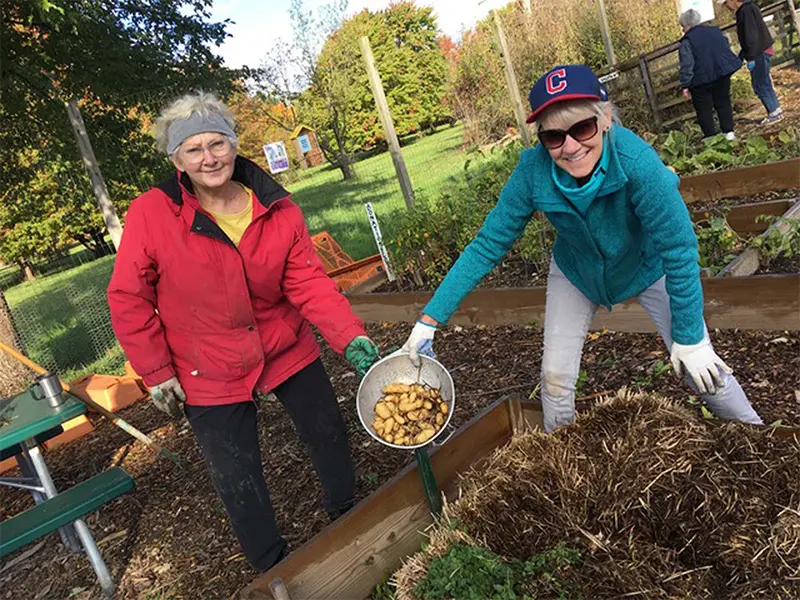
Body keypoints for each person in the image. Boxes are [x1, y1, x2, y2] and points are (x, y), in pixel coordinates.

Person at [401, 65, 763, 433]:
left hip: (647, 265)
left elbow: (679, 247)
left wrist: (690, 337)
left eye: (582, 129)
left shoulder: (637, 162)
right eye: (554, 137)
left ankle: (758, 434)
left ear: (604, 118)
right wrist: (428, 321)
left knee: (701, 368)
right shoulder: (532, 172)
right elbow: (487, 245)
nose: (571, 147)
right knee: (555, 379)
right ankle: (558, 454)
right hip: (577, 272)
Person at [107, 91, 381, 572]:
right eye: (194, 149)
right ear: (177, 159)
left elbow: (308, 283)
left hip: (282, 342)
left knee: (328, 432)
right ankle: (273, 567)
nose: (209, 158)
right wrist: (156, 371)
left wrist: (348, 335)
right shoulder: (152, 213)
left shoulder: (278, 208)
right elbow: (129, 296)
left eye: (218, 143)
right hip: (205, 363)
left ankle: (347, 514)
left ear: (235, 146)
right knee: (236, 473)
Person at [678, 9, 742, 139]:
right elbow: (725, 47)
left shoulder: (687, 41)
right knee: (723, 102)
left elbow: (687, 64)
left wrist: (685, 84)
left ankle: (710, 138)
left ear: (688, 25)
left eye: (683, 27)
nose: (683, 30)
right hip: (721, 73)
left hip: (700, 80)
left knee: (704, 109)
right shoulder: (715, 31)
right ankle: (729, 133)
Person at [720, 0, 783, 124]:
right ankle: (776, 109)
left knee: (759, 84)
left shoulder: (744, 11)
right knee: (764, 81)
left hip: (758, 51)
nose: (727, 6)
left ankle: (773, 112)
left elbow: (750, 35)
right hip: (761, 48)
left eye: (726, 3)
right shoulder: (751, 7)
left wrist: (750, 56)